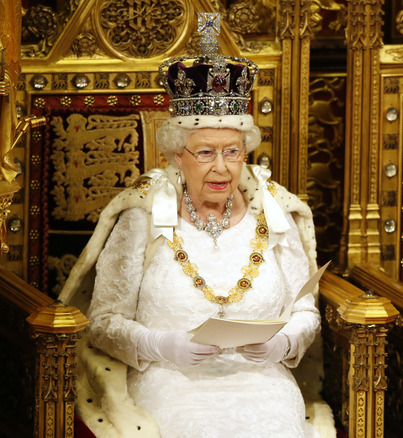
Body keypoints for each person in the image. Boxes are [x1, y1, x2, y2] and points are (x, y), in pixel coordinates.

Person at [58, 13, 328, 438]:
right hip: (171, 380)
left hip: (263, 384)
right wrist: (162, 346)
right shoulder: (143, 215)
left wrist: (284, 343)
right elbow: (104, 320)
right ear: (176, 155)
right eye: (205, 152)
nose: (222, 168)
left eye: (234, 152)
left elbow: (305, 310)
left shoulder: (273, 212)